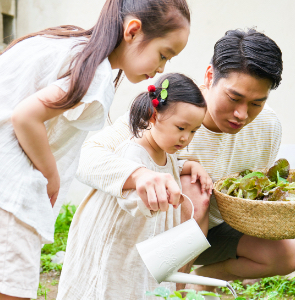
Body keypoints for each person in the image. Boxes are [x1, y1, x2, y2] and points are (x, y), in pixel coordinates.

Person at [0, 0, 192, 299]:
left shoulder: (70, 42)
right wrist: (50, 175)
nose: (162, 68)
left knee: (2, 289)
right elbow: (26, 116)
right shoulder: (94, 72)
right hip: (7, 184)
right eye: (163, 54)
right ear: (133, 31)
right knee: (11, 291)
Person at [76, 28, 295, 294]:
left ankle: (196, 284)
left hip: (213, 234)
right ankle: (173, 291)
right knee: (194, 192)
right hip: (156, 235)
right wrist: (140, 175)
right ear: (210, 76)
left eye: (256, 103)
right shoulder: (172, 109)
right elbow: (88, 157)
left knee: (290, 251)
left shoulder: (268, 127)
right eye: (234, 98)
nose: (242, 114)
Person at [57, 73, 212, 299]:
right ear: (153, 116)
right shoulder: (133, 152)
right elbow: (135, 200)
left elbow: (165, 169)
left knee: (137, 285)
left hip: (141, 244)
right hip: (119, 242)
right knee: (111, 285)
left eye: (193, 131)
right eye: (181, 128)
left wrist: (188, 165)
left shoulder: (165, 153)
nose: (186, 138)